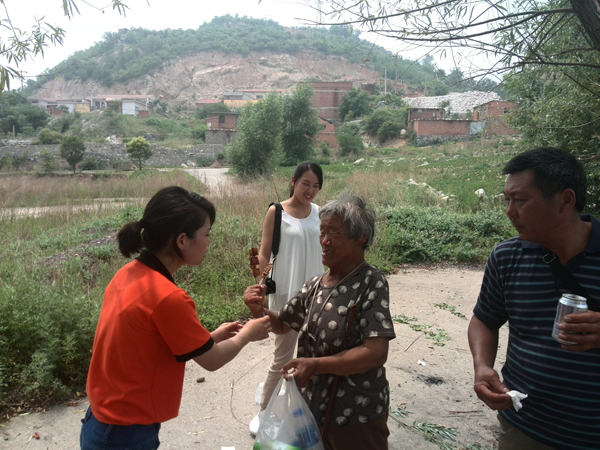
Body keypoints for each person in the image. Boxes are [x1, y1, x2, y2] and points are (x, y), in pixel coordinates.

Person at [80, 186, 271, 450]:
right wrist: (248, 333)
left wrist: (210, 338)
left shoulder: (128, 273)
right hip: (125, 433)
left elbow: (148, 343)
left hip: (102, 420)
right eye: (206, 234)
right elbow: (212, 360)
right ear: (182, 240)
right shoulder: (168, 297)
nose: (209, 242)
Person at [468, 148, 600, 450]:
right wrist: (482, 366)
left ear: (565, 200)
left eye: (520, 200)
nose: (509, 211)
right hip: (524, 427)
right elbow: (484, 320)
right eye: (507, 199)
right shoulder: (507, 256)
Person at [245, 193, 396, 450]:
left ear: (361, 237)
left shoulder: (371, 282)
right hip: (313, 410)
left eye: (333, 233)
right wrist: (260, 310)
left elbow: (375, 352)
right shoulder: (316, 284)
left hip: (356, 414)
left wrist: (315, 366)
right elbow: (283, 324)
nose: (324, 240)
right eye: (322, 231)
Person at [249, 161, 325, 434]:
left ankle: (305, 409)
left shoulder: (320, 213)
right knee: (282, 355)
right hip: (286, 293)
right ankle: (264, 412)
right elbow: (264, 252)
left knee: (315, 354)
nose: (310, 190)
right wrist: (260, 282)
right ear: (293, 181)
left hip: (316, 293)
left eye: (316, 186)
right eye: (305, 183)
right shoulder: (277, 211)